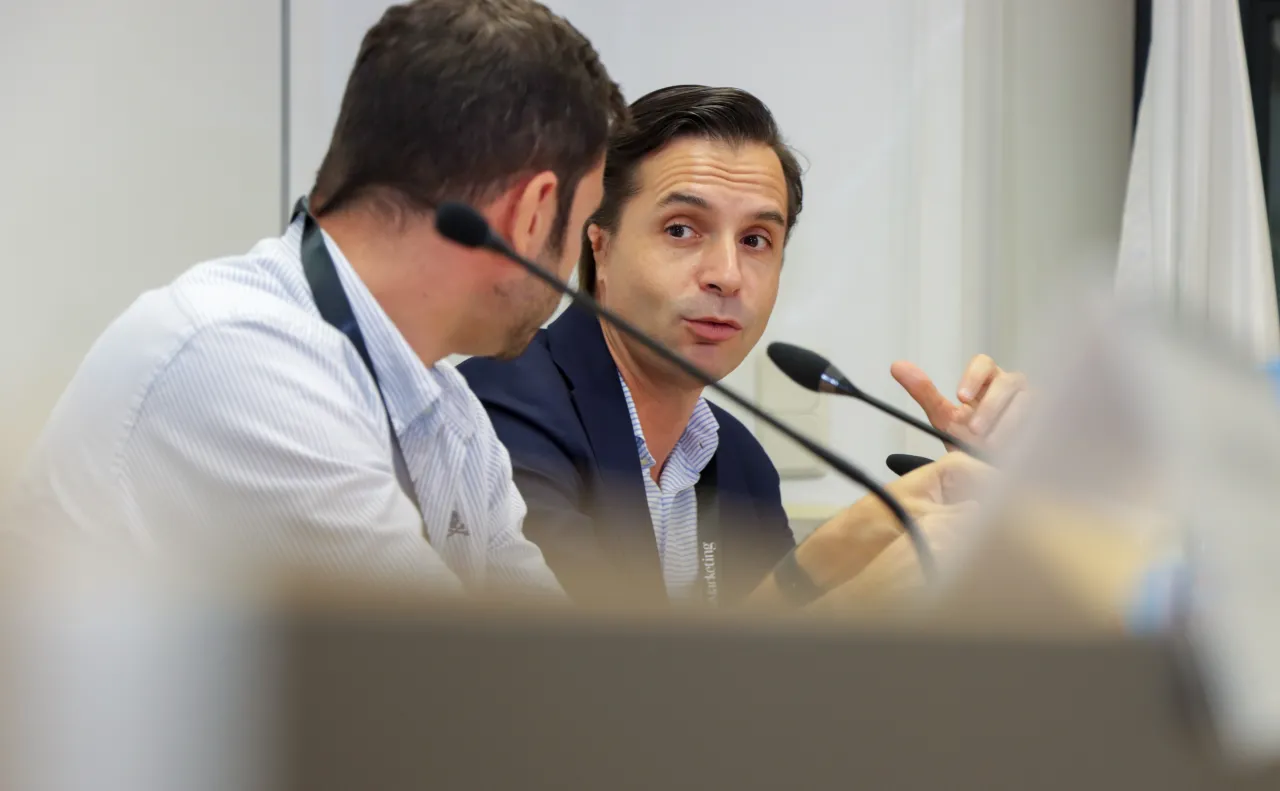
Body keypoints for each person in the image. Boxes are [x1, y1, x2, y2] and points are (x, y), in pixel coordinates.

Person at [5, 4, 977, 606]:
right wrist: (841, 605)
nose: (724, 272)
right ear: (538, 213)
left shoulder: (441, 406)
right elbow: (483, 717)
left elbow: (557, 675)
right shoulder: (244, 366)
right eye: (593, 216)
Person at [460, 85, 1026, 605]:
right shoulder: (501, 411)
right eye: (682, 229)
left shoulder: (740, 464)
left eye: (756, 239)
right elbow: (599, 668)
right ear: (600, 247)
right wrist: (848, 574)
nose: (727, 275)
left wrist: (972, 503)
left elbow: (789, 665)